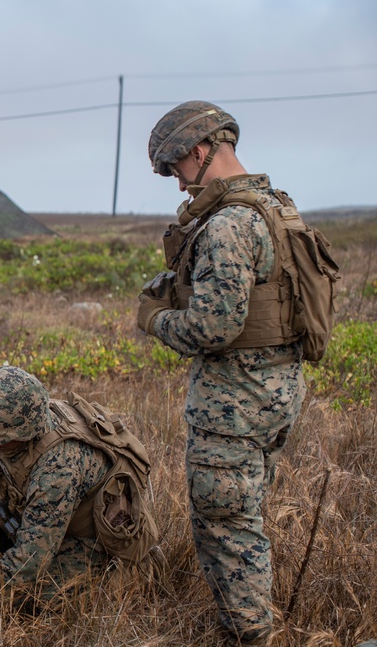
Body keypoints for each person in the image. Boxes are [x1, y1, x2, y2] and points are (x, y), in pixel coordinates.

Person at [140, 100, 307, 644]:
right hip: (277, 392)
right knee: (246, 516)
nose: (179, 184)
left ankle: (249, 636)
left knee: (227, 529)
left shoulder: (229, 224)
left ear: (201, 150)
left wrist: (157, 320)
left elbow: (214, 328)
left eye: (177, 169)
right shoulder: (276, 207)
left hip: (233, 405)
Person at [0, 365, 162, 608]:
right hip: (51, 523)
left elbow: (30, 562)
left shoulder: (59, 467)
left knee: (31, 600)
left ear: (16, 435)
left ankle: (113, 575)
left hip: (93, 542)